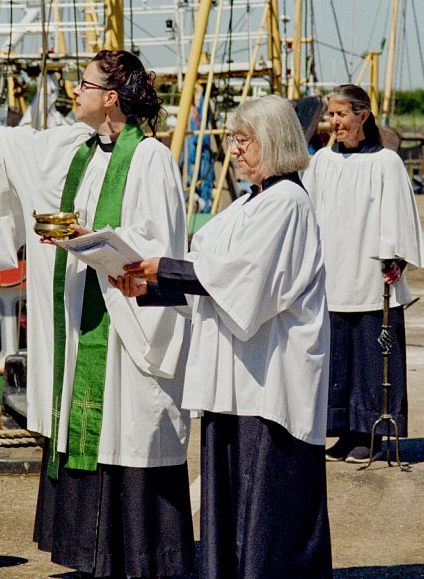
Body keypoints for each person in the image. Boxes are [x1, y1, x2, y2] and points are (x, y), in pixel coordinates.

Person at [0, 50, 195, 578]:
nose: (73, 91)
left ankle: (146, 559)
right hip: (83, 326)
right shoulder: (72, 148)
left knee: (130, 430)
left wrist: (96, 242)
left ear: (111, 98)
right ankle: (96, 558)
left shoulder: (150, 159)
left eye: (84, 84)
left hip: (127, 326)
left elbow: (161, 245)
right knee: (93, 437)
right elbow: (3, 145)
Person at [111, 95, 333, 579]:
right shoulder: (250, 204)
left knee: (267, 491)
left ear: (272, 142)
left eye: (243, 140)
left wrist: (164, 270)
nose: (234, 150)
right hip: (236, 374)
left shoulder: (287, 204)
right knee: (231, 491)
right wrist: (149, 284)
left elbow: (244, 280)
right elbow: (209, 275)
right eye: (233, 139)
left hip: (270, 376)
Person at [302, 84, 424, 463]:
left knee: (371, 358)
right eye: (331, 115)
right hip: (332, 274)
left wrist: (395, 257)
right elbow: (306, 210)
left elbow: (400, 213)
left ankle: (368, 434)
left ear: (362, 116)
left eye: (341, 115)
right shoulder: (322, 161)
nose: (334, 122)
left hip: (370, 275)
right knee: (337, 355)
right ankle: (341, 430)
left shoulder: (385, 162)